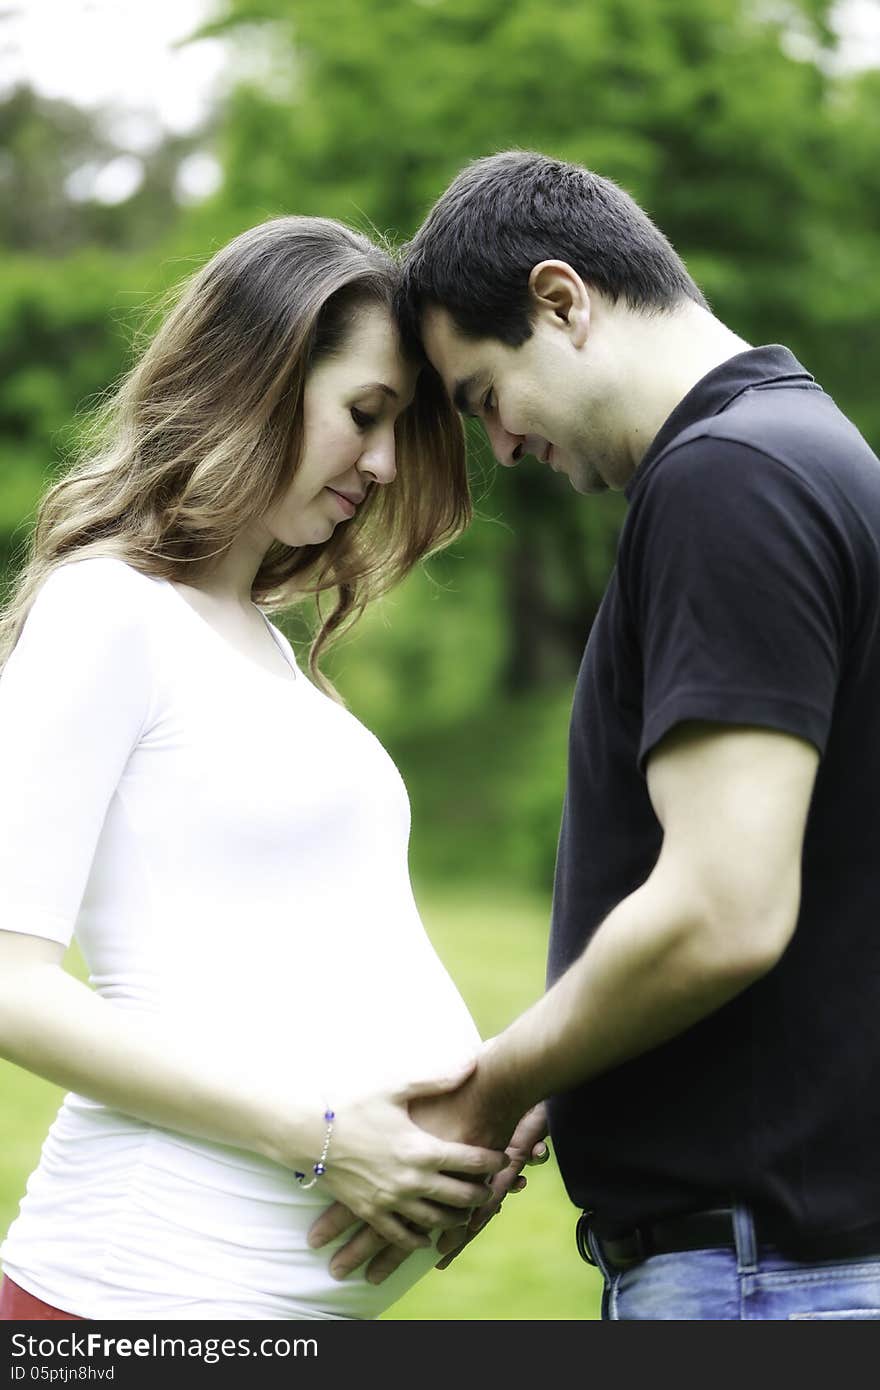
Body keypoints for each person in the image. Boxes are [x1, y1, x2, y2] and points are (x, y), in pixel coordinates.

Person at [310, 151, 880, 1320]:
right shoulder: (809, 453)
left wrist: (486, 1087)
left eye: (481, 398)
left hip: (760, 1273)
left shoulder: (727, 483)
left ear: (561, 300)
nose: (503, 446)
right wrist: (568, 1073)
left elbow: (722, 908)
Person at [0, 214, 540, 1322]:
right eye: (363, 415)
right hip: (135, 1293)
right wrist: (325, 1138)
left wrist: (462, 1123)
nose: (384, 464)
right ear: (255, 377)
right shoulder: (110, 610)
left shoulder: (264, 645)